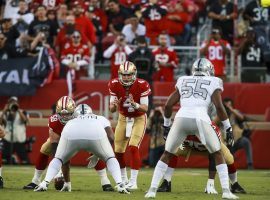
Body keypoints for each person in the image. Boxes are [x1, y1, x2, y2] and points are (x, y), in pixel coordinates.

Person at [145, 58, 238, 199]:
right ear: (209, 70)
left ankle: (152, 190)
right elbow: (219, 107)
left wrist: (166, 125)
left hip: (181, 117)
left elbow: (168, 105)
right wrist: (228, 128)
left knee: (167, 153)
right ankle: (226, 192)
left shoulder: (183, 79)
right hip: (201, 118)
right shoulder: (214, 81)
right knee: (217, 153)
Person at [23, 96, 114, 192]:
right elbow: (55, 146)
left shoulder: (81, 117)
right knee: (45, 148)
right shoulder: (54, 121)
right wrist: (59, 171)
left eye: (67, 114)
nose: (64, 117)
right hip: (63, 138)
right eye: (61, 114)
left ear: (74, 111)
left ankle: (105, 181)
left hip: (80, 136)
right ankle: (35, 180)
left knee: (94, 149)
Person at [34, 104, 130, 194]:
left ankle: (44, 183)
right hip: (95, 133)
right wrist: (98, 155)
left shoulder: (71, 120)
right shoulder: (100, 118)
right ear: (91, 112)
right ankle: (120, 184)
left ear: (75, 113)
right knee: (110, 158)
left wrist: (67, 182)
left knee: (58, 159)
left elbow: (63, 159)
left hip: (72, 131)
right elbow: (111, 137)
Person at [157, 128, 246, 194]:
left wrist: (210, 182)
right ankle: (166, 183)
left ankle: (234, 185)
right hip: (189, 147)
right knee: (172, 150)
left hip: (208, 148)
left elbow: (214, 152)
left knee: (229, 158)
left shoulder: (209, 129)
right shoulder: (182, 126)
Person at [108, 61, 151, 190]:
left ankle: (133, 181)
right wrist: (114, 106)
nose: (126, 77)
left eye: (129, 74)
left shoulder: (142, 84)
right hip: (123, 118)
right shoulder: (114, 84)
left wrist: (135, 105)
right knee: (118, 150)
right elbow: (111, 109)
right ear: (120, 74)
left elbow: (145, 108)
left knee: (133, 147)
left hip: (138, 118)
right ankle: (123, 179)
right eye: (124, 75)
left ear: (134, 74)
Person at [223, 98, 254, 169]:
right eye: (226, 105)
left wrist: (231, 109)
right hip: (226, 141)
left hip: (237, 139)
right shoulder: (221, 114)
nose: (228, 106)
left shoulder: (235, 112)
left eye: (229, 104)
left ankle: (250, 164)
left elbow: (241, 117)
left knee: (246, 142)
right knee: (229, 159)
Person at [0, 96, 30, 164]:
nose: (13, 104)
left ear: (17, 103)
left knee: (25, 161)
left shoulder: (23, 112)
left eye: (14, 102)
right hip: (7, 139)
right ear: (8, 103)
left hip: (19, 139)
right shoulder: (5, 113)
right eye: (11, 102)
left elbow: (25, 120)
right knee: (4, 160)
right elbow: (0, 122)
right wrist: (4, 111)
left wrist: (18, 109)